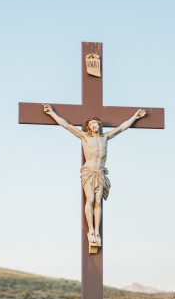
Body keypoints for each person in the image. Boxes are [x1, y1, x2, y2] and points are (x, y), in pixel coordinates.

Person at [43, 104, 147, 246]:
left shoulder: (105, 137)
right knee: (90, 199)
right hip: (89, 172)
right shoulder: (84, 136)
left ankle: (97, 231)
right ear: (89, 128)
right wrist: (51, 113)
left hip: (100, 172)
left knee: (98, 201)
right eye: (90, 125)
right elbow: (66, 125)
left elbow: (121, 128)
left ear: (99, 125)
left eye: (95, 124)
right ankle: (90, 230)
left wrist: (135, 117)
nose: (93, 126)